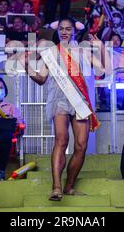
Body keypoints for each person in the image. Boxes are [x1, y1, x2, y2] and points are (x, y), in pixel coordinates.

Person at [25, 17, 103, 200]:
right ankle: (56, 187)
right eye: (62, 29)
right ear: (57, 31)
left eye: (69, 29)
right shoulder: (52, 53)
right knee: (61, 139)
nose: (65, 32)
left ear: (74, 32)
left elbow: (103, 70)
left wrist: (101, 49)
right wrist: (27, 66)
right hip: (59, 100)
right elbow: (42, 78)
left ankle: (69, 186)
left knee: (81, 145)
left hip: (79, 101)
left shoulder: (82, 51)